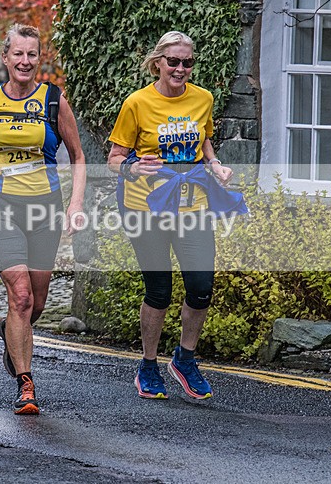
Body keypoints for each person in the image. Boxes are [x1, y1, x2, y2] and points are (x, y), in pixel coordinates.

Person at [107, 31, 246, 401]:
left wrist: (215, 164)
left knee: (201, 287)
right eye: (173, 62)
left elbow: (203, 141)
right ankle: (149, 365)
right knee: (160, 291)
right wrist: (133, 168)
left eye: (187, 62)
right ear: (158, 63)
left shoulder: (203, 98)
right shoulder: (137, 103)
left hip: (193, 205)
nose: (181, 68)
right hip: (144, 207)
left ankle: (184, 359)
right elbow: (115, 158)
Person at [0, 23, 86, 415]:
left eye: (32, 54)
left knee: (37, 302)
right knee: (21, 295)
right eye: (18, 54)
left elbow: (78, 156)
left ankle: (9, 331)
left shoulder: (53, 101)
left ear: (39, 58)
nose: (25, 61)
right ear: (6, 57)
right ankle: (25, 384)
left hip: (44, 206)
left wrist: (75, 204)